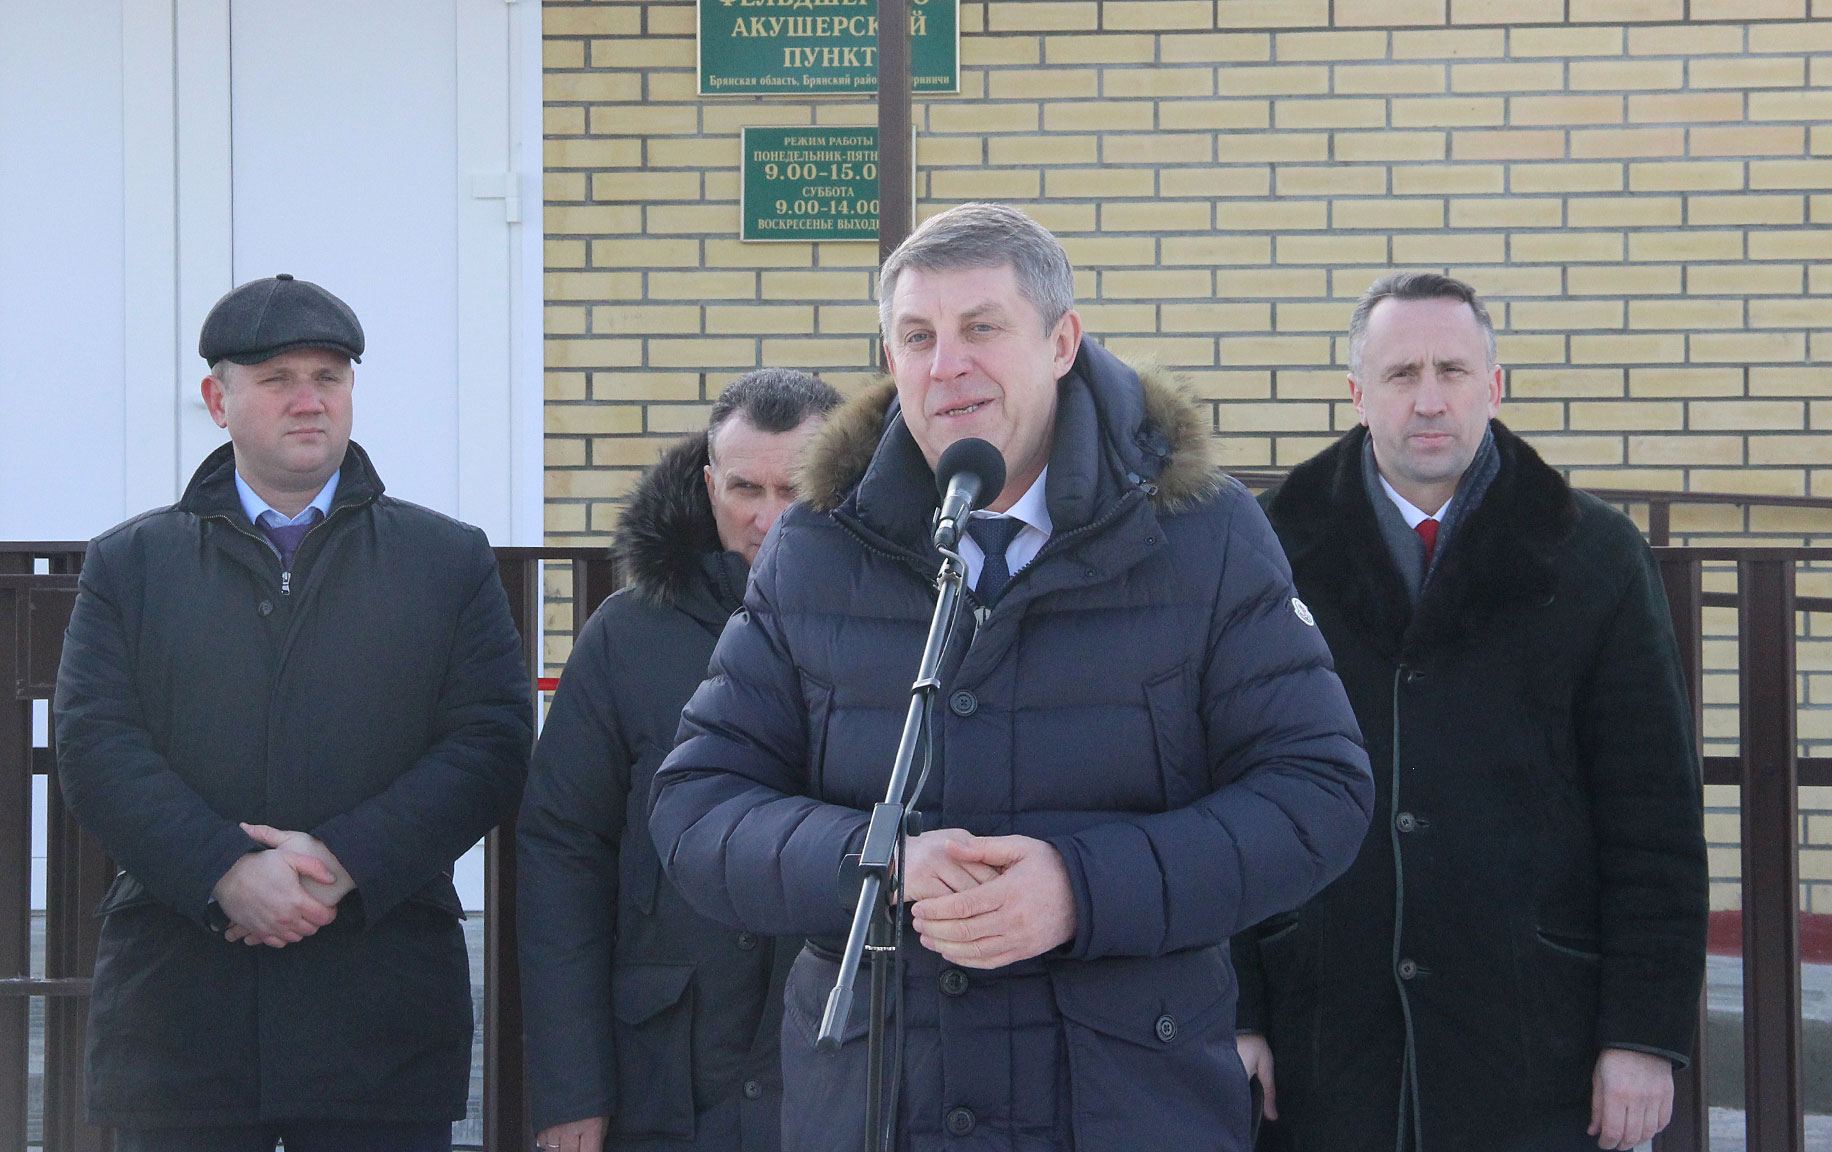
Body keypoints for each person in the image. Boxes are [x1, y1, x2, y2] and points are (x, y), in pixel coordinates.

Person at [648, 202, 1373, 1151]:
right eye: (918, 337)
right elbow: (699, 806)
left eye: (982, 328)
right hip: (880, 1104)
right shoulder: (819, 547)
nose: (946, 365)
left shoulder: (1203, 534)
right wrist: (877, 860)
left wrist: (1082, 888)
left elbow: (1317, 793)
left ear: (1061, 342)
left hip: (1124, 1104)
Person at [54, 274, 533, 1152]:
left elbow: (489, 745)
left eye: (329, 377)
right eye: (277, 379)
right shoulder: (132, 564)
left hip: (378, 1015)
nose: (309, 400)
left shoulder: (445, 561)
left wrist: (343, 862)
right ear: (217, 401)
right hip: (182, 1019)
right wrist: (224, 872)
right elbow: (97, 747)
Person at [1239, 272, 1708, 1152]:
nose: (1429, 400)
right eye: (1400, 373)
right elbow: (1224, 787)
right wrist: (1238, 1010)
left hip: (1535, 1037)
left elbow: (1653, 815)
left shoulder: (1595, 555)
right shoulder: (1266, 550)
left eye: (1452, 371)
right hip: (1323, 1035)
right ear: (1357, 394)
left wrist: (1644, 1035)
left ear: (1492, 387)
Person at [517, 368, 843, 1152]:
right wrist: (571, 1087)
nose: (768, 518)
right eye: (745, 489)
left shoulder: (912, 629)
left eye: (795, 490)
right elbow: (563, 851)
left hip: (845, 1072)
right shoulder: (626, 634)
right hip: (666, 1076)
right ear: (708, 484)